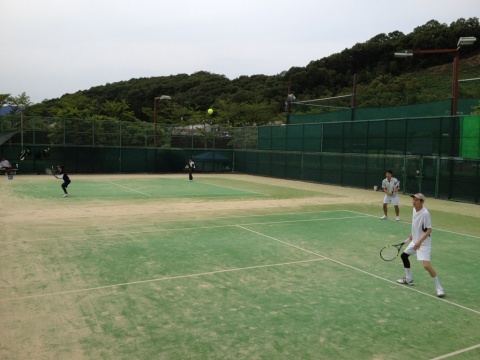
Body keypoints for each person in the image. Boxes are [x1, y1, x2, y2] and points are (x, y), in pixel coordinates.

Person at [397, 193, 445, 298]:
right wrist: (413, 234)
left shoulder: (425, 213)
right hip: (416, 240)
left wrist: (419, 242)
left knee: (426, 265)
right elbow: (416, 224)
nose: (413, 202)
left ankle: (439, 287)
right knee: (404, 256)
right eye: (413, 199)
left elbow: (429, 230)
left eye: (416, 200)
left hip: (424, 242)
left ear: (422, 202)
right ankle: (408, 278)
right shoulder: (414, 209)